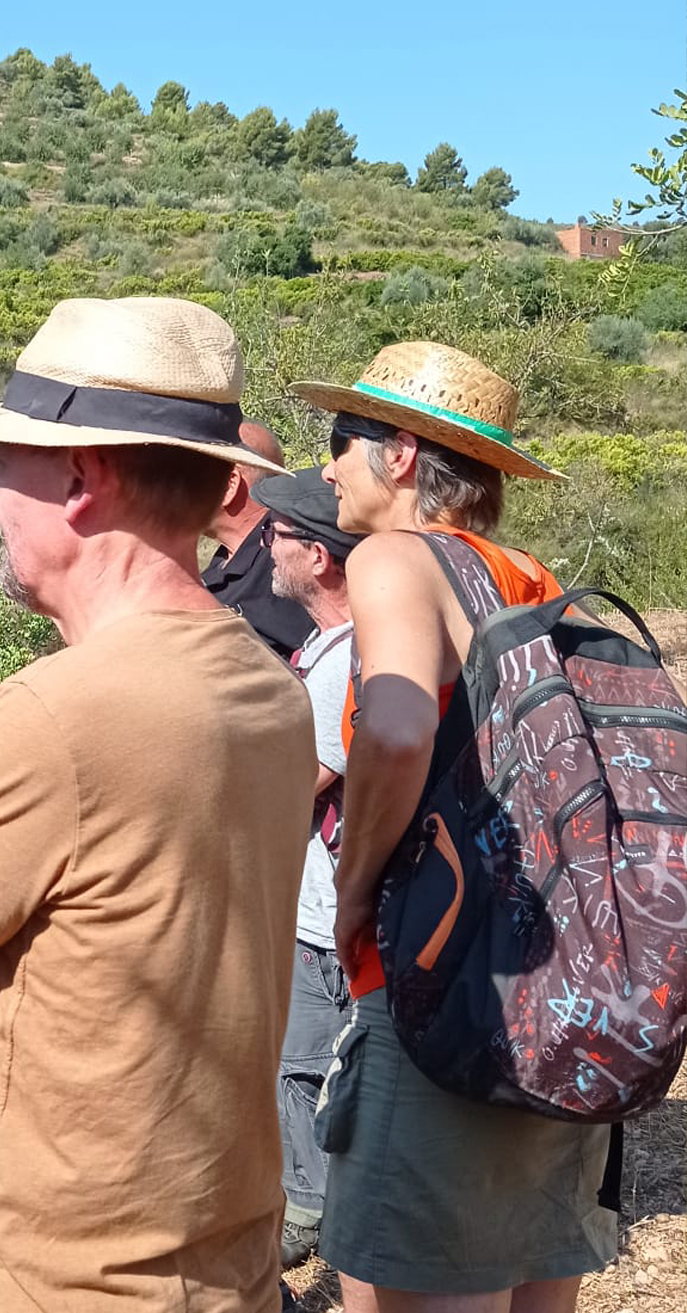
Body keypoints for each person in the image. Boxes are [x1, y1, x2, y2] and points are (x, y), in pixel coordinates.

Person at [0, 296, 316, 1311]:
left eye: (4, 470)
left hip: (67, 1275)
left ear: (83, 479)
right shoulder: (268, 684)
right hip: (219, 1256)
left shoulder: (59, 711)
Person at [294, 342, 618, 1309]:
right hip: (552, 980)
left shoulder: (398, 559)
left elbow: (394, 731)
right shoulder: (531, 575)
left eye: (342, 442)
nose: (327, 466)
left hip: (436, 986)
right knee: (530, 1274)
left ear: (399, 454)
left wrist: (353, 898)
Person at [251, 467, 361, 1272]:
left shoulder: (338, 666)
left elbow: (290, 788)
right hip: (322, 906)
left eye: (279, 536)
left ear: (318, 556)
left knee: (306, 1069)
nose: (267, 547)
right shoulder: (335, 647)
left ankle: (315, 1217)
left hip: (325, 918)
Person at [203, 420, 315, 659]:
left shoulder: (287, 562)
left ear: (229, 486)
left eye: (187, 472)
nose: (174, 486)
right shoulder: (225, 560)